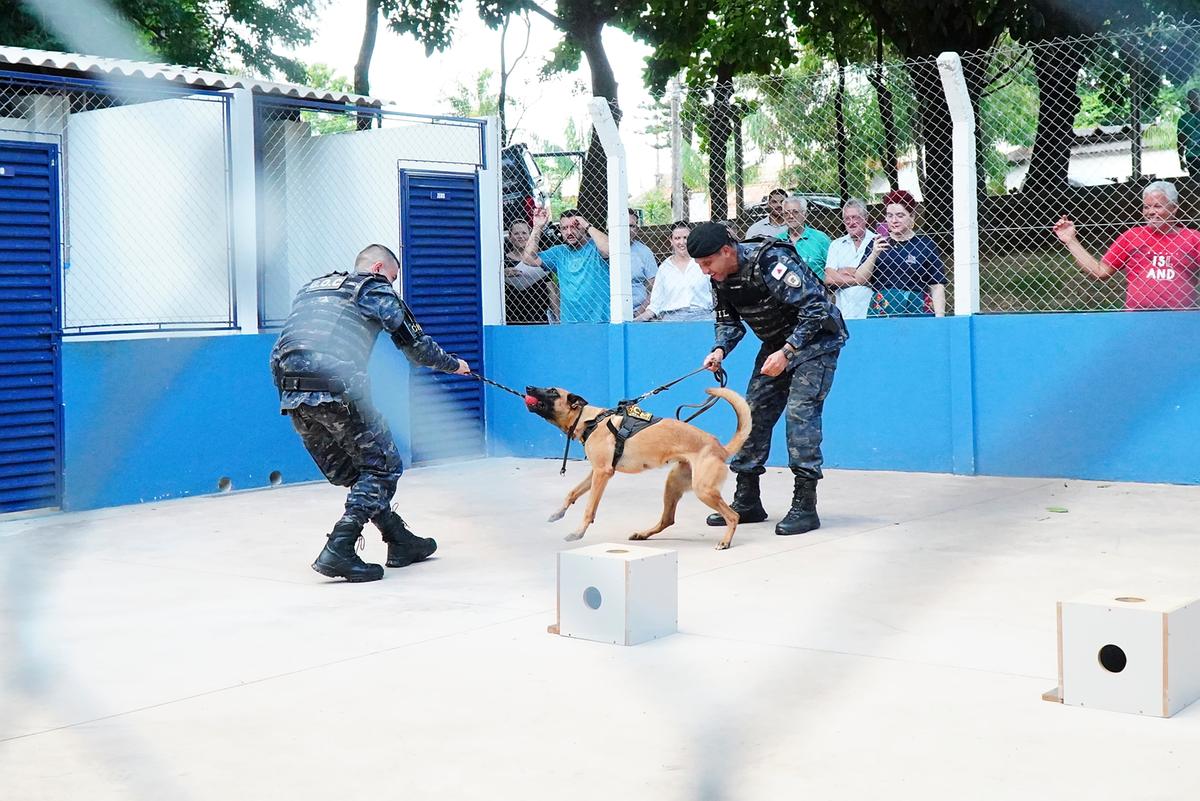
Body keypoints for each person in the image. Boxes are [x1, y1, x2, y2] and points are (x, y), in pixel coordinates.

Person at [270, 244, 470, 582]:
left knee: (353, 472)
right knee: (383, 467)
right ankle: (340, 546)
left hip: (290, 393)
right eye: (393, 278)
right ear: (379, 268)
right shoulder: (373, 288)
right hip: (336, 387)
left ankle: (398, 539)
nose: (392, 285)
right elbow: (416, 346)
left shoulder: (313, 289)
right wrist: (454, 365)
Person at [687, 221, 848, 536]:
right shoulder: (720, 277)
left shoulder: (770, 260)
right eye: (700, 266)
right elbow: (730, 323)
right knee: (753, 413)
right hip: (776, 344)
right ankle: (747, 500)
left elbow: (816, 308)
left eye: (708, 263)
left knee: (800, 416)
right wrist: (719, 349)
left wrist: (788, 352)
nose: (705, 271)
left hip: (816, 343)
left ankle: (805, 505)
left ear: (726, 251)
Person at [1052, 181, 1200, 310]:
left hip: (1182, 315)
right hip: (1137, 315)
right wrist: (1071, 240)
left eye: (1157, 206)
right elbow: (1100, 271)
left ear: (1174, 208)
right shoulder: (1131, 236)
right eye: (1146, 207)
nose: (1151, 212)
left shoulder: (1193, 238)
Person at [855, 189, 947, 317]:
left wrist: (940, 318)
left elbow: (936, 285)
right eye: (889, 215)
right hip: (884, 306)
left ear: (912, 216)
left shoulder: (925, 245)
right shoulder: (877, 243)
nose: (894, 220)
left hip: (916, 305)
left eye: (900, 215)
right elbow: (860, 279)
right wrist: (874, 254)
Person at [522, 206, 611, 323]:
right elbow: (528, 258)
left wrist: (586, 225)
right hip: (569, 322)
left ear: (582, 227)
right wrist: (537, 227)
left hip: (600, 321)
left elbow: (609, 249)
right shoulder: (559, 252)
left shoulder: (596, 247)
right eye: (564, 228)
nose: (569, 232)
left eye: (574, 227)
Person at [636, 221, 714, 321]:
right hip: (672, 319)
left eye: (686, 237)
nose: (682, 242)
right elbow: (655, 304)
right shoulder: (664, 268)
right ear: (671, 241)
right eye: (677, 238)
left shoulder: (703, 262)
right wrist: (637, 320)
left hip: (702, 317)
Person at [824, 198, 876, 319]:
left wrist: (841, 274)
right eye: (847, 219)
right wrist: (862, 278)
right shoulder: (836, 244)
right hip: (844, 313)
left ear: (865, 218)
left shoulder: (876, 242)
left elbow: (878, 278)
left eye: (855, 217)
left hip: (870, 312)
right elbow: (829, 279)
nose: (851, 222)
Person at [503, 220, 551, 324]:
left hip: (539, 316)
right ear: (510, 238)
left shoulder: (540, 259)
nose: (521, 236)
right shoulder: (503, 261)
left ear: (530, 236)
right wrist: (503, 274)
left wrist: (557, 317)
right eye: (516, 233)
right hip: (511, 316)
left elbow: (550, 288)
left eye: (524, 233)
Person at [775, 196, 832, 280]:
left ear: (805, 214)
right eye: (786, 213)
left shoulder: (821, 239)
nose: (791, 216)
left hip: (816, 290)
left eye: (795, 212)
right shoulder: (777, 240)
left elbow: (833, 269)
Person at [629, 209, 659, 318]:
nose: (628, 230)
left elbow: (655, 288)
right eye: (624, 225)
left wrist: (640, 313)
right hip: (608, 311)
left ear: (636, 230)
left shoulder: (644, 252)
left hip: (638, 311)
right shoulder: (605, 249)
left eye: (632, 226)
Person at [1178, 89, 1200, 176]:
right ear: (1188, 102)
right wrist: (1180, 159)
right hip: (1193, 156)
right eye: (1191, 100)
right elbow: (1181, 140)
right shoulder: (1184, 119)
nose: (1193, 102)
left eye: (1196, 99)